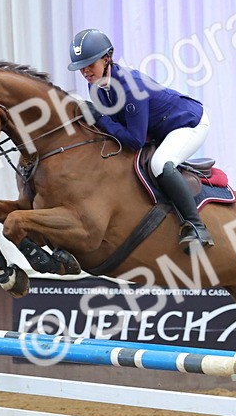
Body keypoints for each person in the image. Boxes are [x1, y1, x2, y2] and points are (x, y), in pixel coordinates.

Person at [67, 28, 213, 250]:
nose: (85, 71)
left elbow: (134, 140)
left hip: (189, 123)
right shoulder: (95, 85)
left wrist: (100, 118)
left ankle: (196, 226)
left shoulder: (131, 87)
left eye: (90, 64)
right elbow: (117, 127)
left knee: (160, 164)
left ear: (107, 59)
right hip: (158, 128)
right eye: (81, 67)